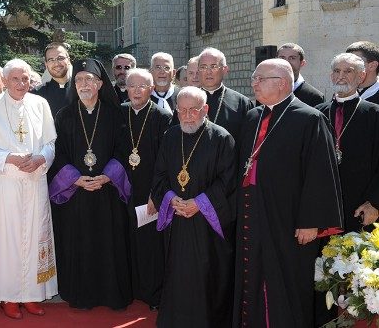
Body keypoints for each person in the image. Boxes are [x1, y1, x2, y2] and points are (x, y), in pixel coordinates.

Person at [233, 59, 343, 327]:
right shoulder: (252, 117)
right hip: (253, 210)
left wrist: (310, 222)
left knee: (284, 281)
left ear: (282, 83)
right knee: (253, 273)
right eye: (254, 79)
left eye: (260, 79)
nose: (254, 84)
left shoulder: (310, 118)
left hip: (289, 218)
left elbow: (321, 174)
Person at [0, 59, 57, 319]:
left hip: (35, 182)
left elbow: (50, 143)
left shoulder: (40, 105)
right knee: (7, 242)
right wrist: (10, 158)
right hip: (6, 185)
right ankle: (9, 297)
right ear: (5, 80)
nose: (21, 84)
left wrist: (40, 159)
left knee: (35, 238)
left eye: (25, 79)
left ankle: (32, 295)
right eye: (15, 79)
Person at [48, 58, 131, 310]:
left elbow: (124, 149)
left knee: (109, 243)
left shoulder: (115, 114)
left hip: (107, 191)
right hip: (77, 193)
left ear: (100, 84)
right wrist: (76, 179)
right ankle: (81, 296)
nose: (84, 84)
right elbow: (57, 152)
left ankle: (111, 295)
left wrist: (108, 176)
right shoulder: (63, 116)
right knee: (80, 243)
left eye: (89, 79)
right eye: (79, 80)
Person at [150, 86, 236, 327]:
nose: (188, 116)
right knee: (177, 273)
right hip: (177, 217)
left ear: (205, 109)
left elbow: (227, 180)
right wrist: (170, 198)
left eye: (193, 111)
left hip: (207, 222)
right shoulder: (170, 136)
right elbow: (159, 175)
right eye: (182, 111)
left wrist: (199, 204)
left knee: (206, 273)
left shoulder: (221, 138)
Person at [122, 68, 172, 310]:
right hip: (123, 191)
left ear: (151, 89)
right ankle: (130, 289)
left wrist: (157, 194)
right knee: (126, 242)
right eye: (132, 86)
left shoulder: (163, 117)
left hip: (150, 193)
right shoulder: (120, 113)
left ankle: (153, 294)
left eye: (143, 86)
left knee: (150, 246)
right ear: (126, 88)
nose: (137, 91)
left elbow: (167, 161)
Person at [316, 53, 379, 232]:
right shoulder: (317, 114)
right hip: (322, 207)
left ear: (361, 76)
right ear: (331, 76)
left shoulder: (374, 114)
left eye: (348, 71)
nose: (341, 76)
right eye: (337, 71)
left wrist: (374, 202)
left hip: (361, 208)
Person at [197, 48, 253, 141]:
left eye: (213, 66)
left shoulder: (242, 103)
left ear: (225, 69)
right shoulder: (186, 100)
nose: (208, 72)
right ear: (198, 70)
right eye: (203, 67)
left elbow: (248, 141)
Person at [34, 42, 72, 116]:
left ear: (69, 60)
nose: (56, 63)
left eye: (60, 58)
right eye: (51, 60)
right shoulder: (37, 94)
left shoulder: (82, 90)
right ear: (46, 64)